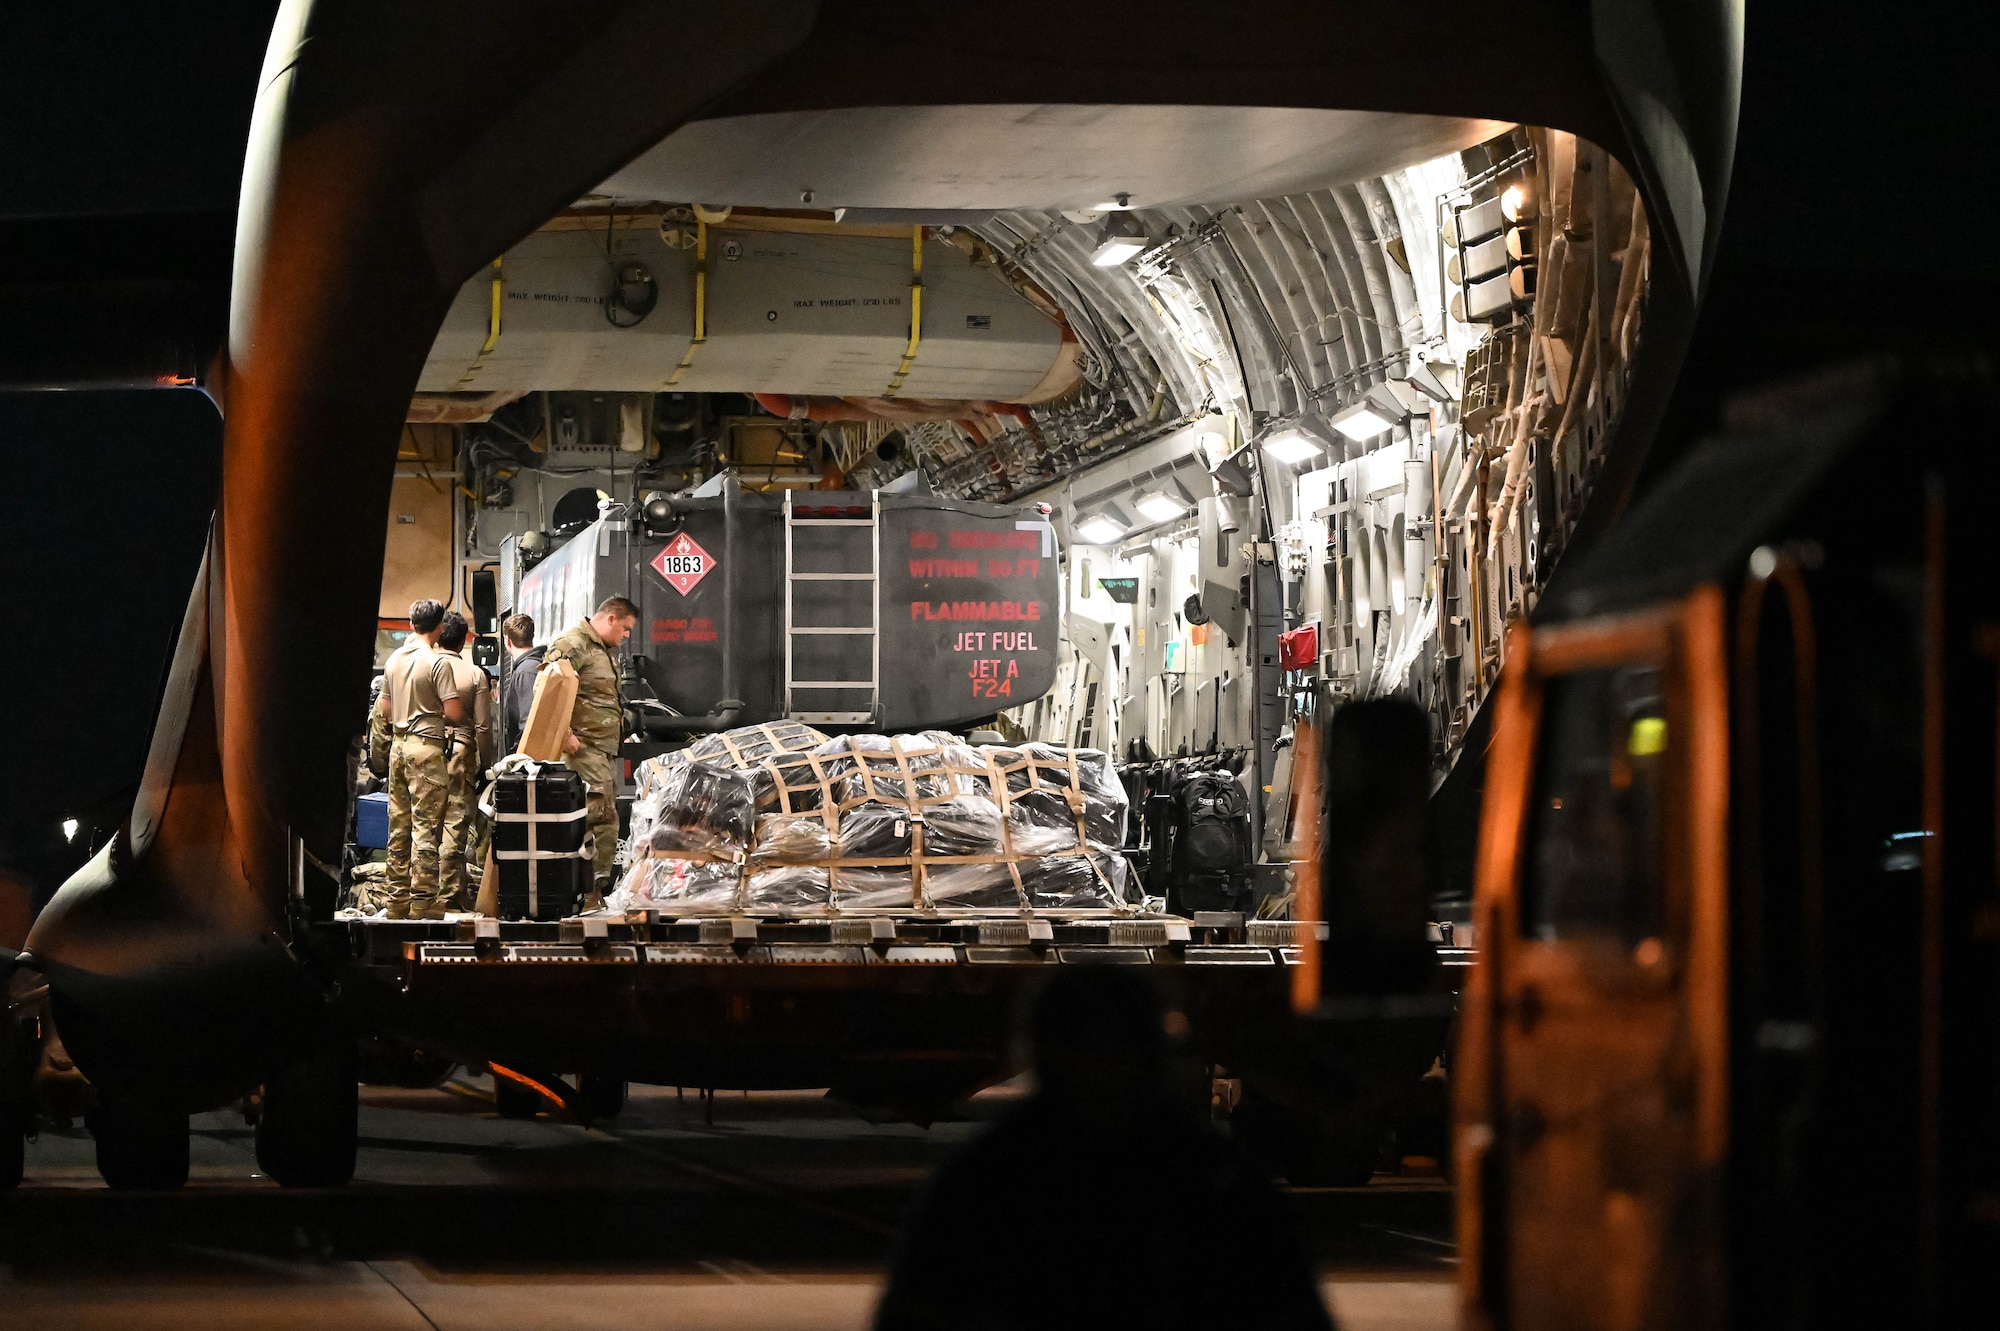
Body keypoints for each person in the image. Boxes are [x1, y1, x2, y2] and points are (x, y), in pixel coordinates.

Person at [873, 967, 1334, 1331]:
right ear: (1158, 1050)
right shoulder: (1220, 1181)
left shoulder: (982, 1181)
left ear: (1035, 1052)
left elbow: (913, 1313)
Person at [540, 596, 637, 904]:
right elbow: (546, 688)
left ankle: (591, 890)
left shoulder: (600, 650)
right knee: (600, 819)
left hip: (599, 750)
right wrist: (564, 733)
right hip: (583, 749)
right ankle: (590, 893)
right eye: (624, 628)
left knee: (600, 819)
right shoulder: (573, 644)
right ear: (610, 618)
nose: (625, 636)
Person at [377, 600, 463, 919]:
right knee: (426, 826)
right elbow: (453, 712)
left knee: (398, 824)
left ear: (411, 625)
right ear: (440, 626)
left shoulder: (393, 660)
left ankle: (396, 899)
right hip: (426, 749)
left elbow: (385, 711)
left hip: (398, 749)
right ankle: (423, 901)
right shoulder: (437, 663)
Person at [433, 611, 492, 909]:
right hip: (459, 752)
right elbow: (483, 726)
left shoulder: (420, 667)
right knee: (455, 822)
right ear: (463, 640)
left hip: (424, 749)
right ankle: (450, 895)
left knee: (424, 820)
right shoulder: (474, 675)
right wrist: (488, 765)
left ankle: (422, 891)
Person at [500, 612, 544, 754]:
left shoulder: (525, 672)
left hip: (527, 758)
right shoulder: (534, 666)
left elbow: (528, 723)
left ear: (508, 641)